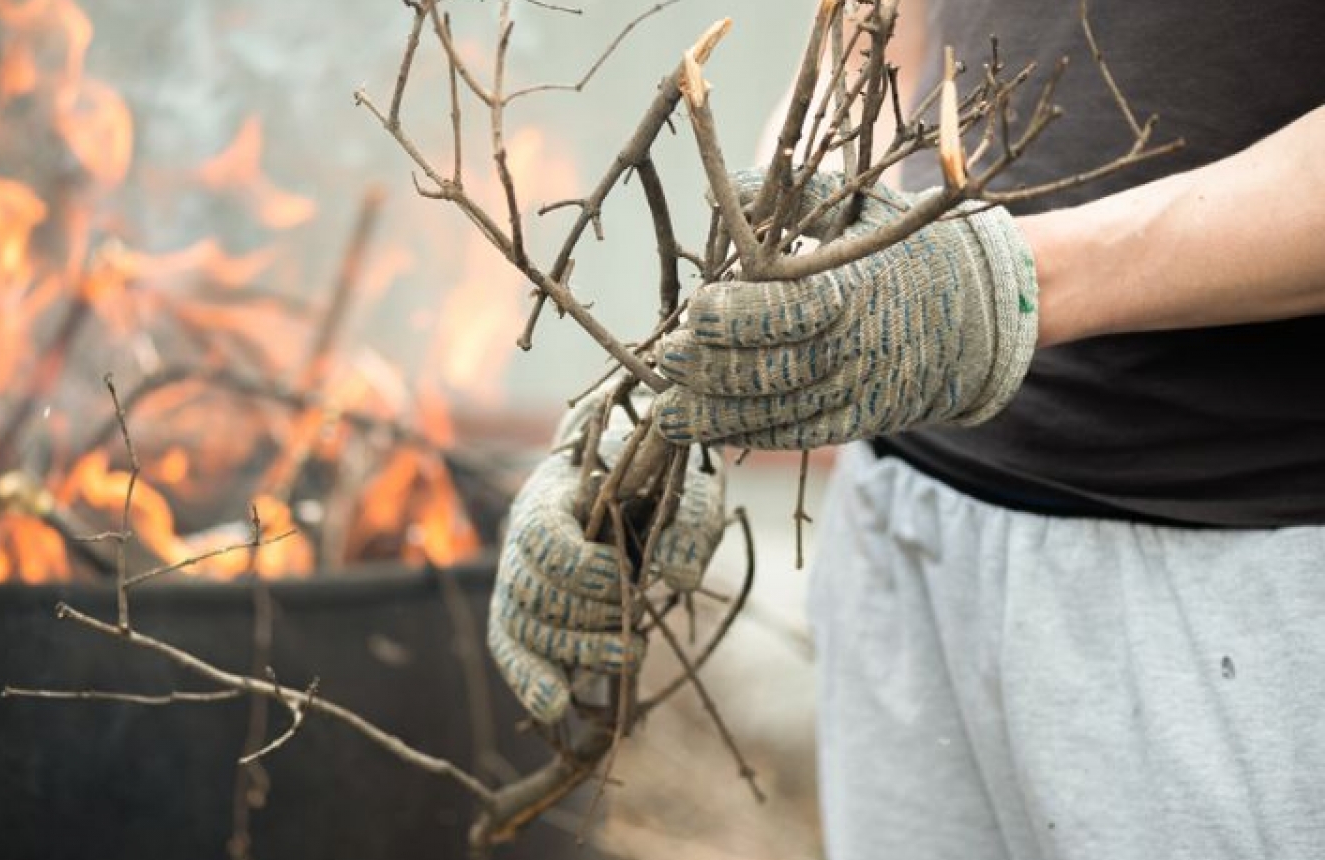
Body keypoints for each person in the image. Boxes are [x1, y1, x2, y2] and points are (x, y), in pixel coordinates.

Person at [488, 2, 1325, 857]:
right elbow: (875, 50)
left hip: (1243, 564)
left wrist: (1010, 287)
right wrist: (673, 396)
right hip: (901, 514)